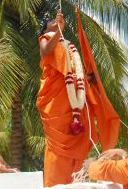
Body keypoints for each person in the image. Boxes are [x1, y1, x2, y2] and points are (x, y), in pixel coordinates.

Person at [36, 12, 96, 187]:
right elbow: (46, 51)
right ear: (45, 30)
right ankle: (55, 183)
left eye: (55, 20)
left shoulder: (69, 45)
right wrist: (58, 31)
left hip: (74, 102)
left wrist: (88, 81)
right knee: (57, 147)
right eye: (50, 22)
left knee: (77, 139)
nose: (54, 21)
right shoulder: (45, 38)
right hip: (55, 102)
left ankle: (76, 181)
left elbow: (77, 72)